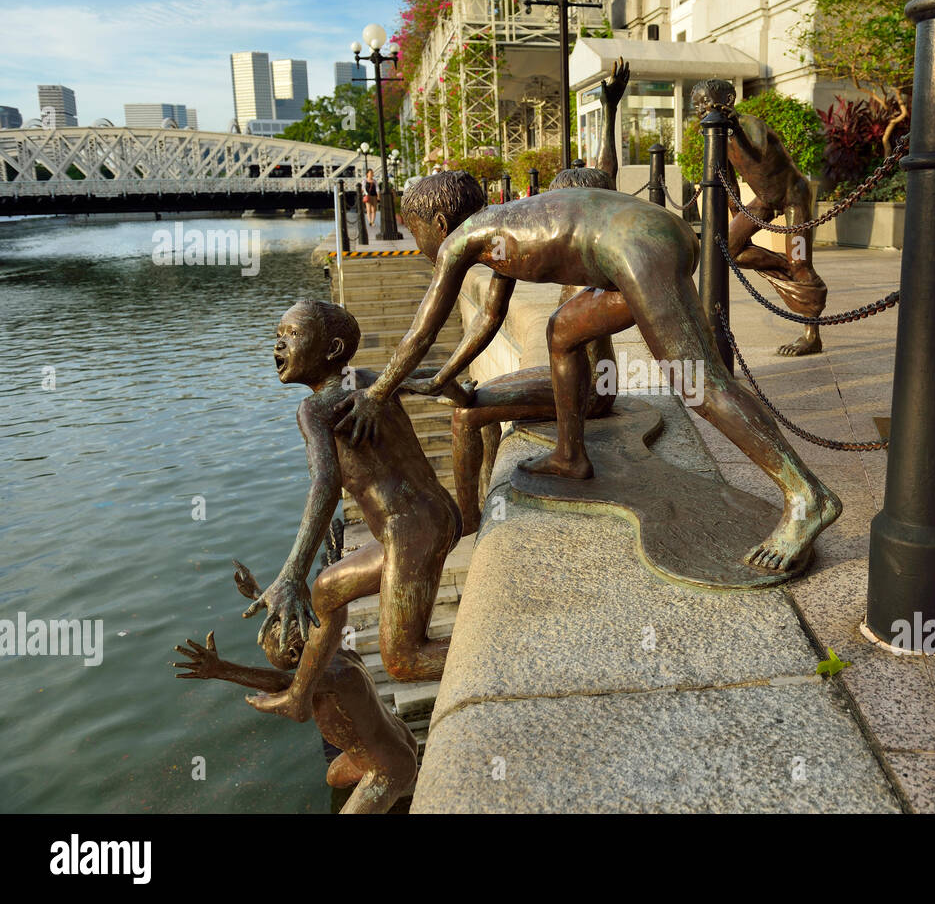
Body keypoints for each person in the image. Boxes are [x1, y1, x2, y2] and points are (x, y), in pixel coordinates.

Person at [334, 173, 841, 572]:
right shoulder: (496, 233)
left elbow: (422, 328)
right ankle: (571, 455)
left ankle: (806, 496)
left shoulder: (462, 240)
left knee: (699, 385)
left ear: (439, 221)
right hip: (651, 233)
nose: (414, 237)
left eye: (413, 227)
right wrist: (443, 377)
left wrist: (378, 393)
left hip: (637, 246)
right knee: (561, 333)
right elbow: (486, 323)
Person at [240, 300, 461, 724]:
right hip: (435, 517)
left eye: (290, 335)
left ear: (332, 348)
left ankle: (508, 648)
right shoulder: (367, 380)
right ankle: (299, 696)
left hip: (409, 531)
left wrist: (291, 573)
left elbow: (324, 486)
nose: (277, 347)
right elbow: (433, 384)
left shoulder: (315, 408)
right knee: (326, 591)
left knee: (403, 660)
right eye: (277, 335)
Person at [444, 58, 630, 534]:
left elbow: (491, 318)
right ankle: (482, 498)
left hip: (591, 394)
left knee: (468, 411)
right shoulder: (599, 235)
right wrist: (609, 112)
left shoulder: (571, 254)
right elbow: (607, 171)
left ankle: (468, 522)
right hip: (598, 385)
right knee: (478, 398)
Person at [171, 564, 418, 814]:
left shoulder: (332, 675)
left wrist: (222, 670)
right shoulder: (335, 650)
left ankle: (392, 797)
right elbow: (299, 618)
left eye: (268, 649)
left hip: (385, 768)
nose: (265, 652)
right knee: (333, 777)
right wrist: (258, 594)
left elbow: (284, 684)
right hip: (394, 739)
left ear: (291, 653)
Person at [691, 79, 826, 356]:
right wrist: (736, 218)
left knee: (803, 267)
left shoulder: (749, 125)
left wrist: (736, 128)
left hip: (793, 197)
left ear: (727, 101)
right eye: (697, 105)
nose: (701, 109)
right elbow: (726, 180)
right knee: (726, 249)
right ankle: (786, 267)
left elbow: (758, 151)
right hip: (763, 201)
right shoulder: (718, 137)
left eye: (706, 102)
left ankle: (812, 335)